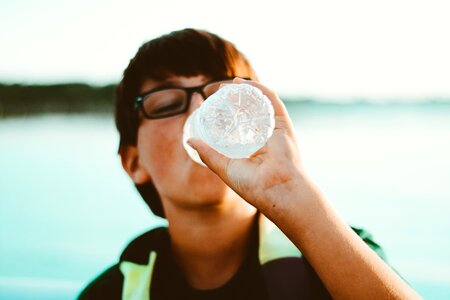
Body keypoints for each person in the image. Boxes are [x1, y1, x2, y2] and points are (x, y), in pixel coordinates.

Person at [78, 28, 420, 299]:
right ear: (133, 161)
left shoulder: (339, 256)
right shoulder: (109, 294)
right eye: (167, 102)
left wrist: (290, 191)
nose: (202, 112)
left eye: (224, 97)